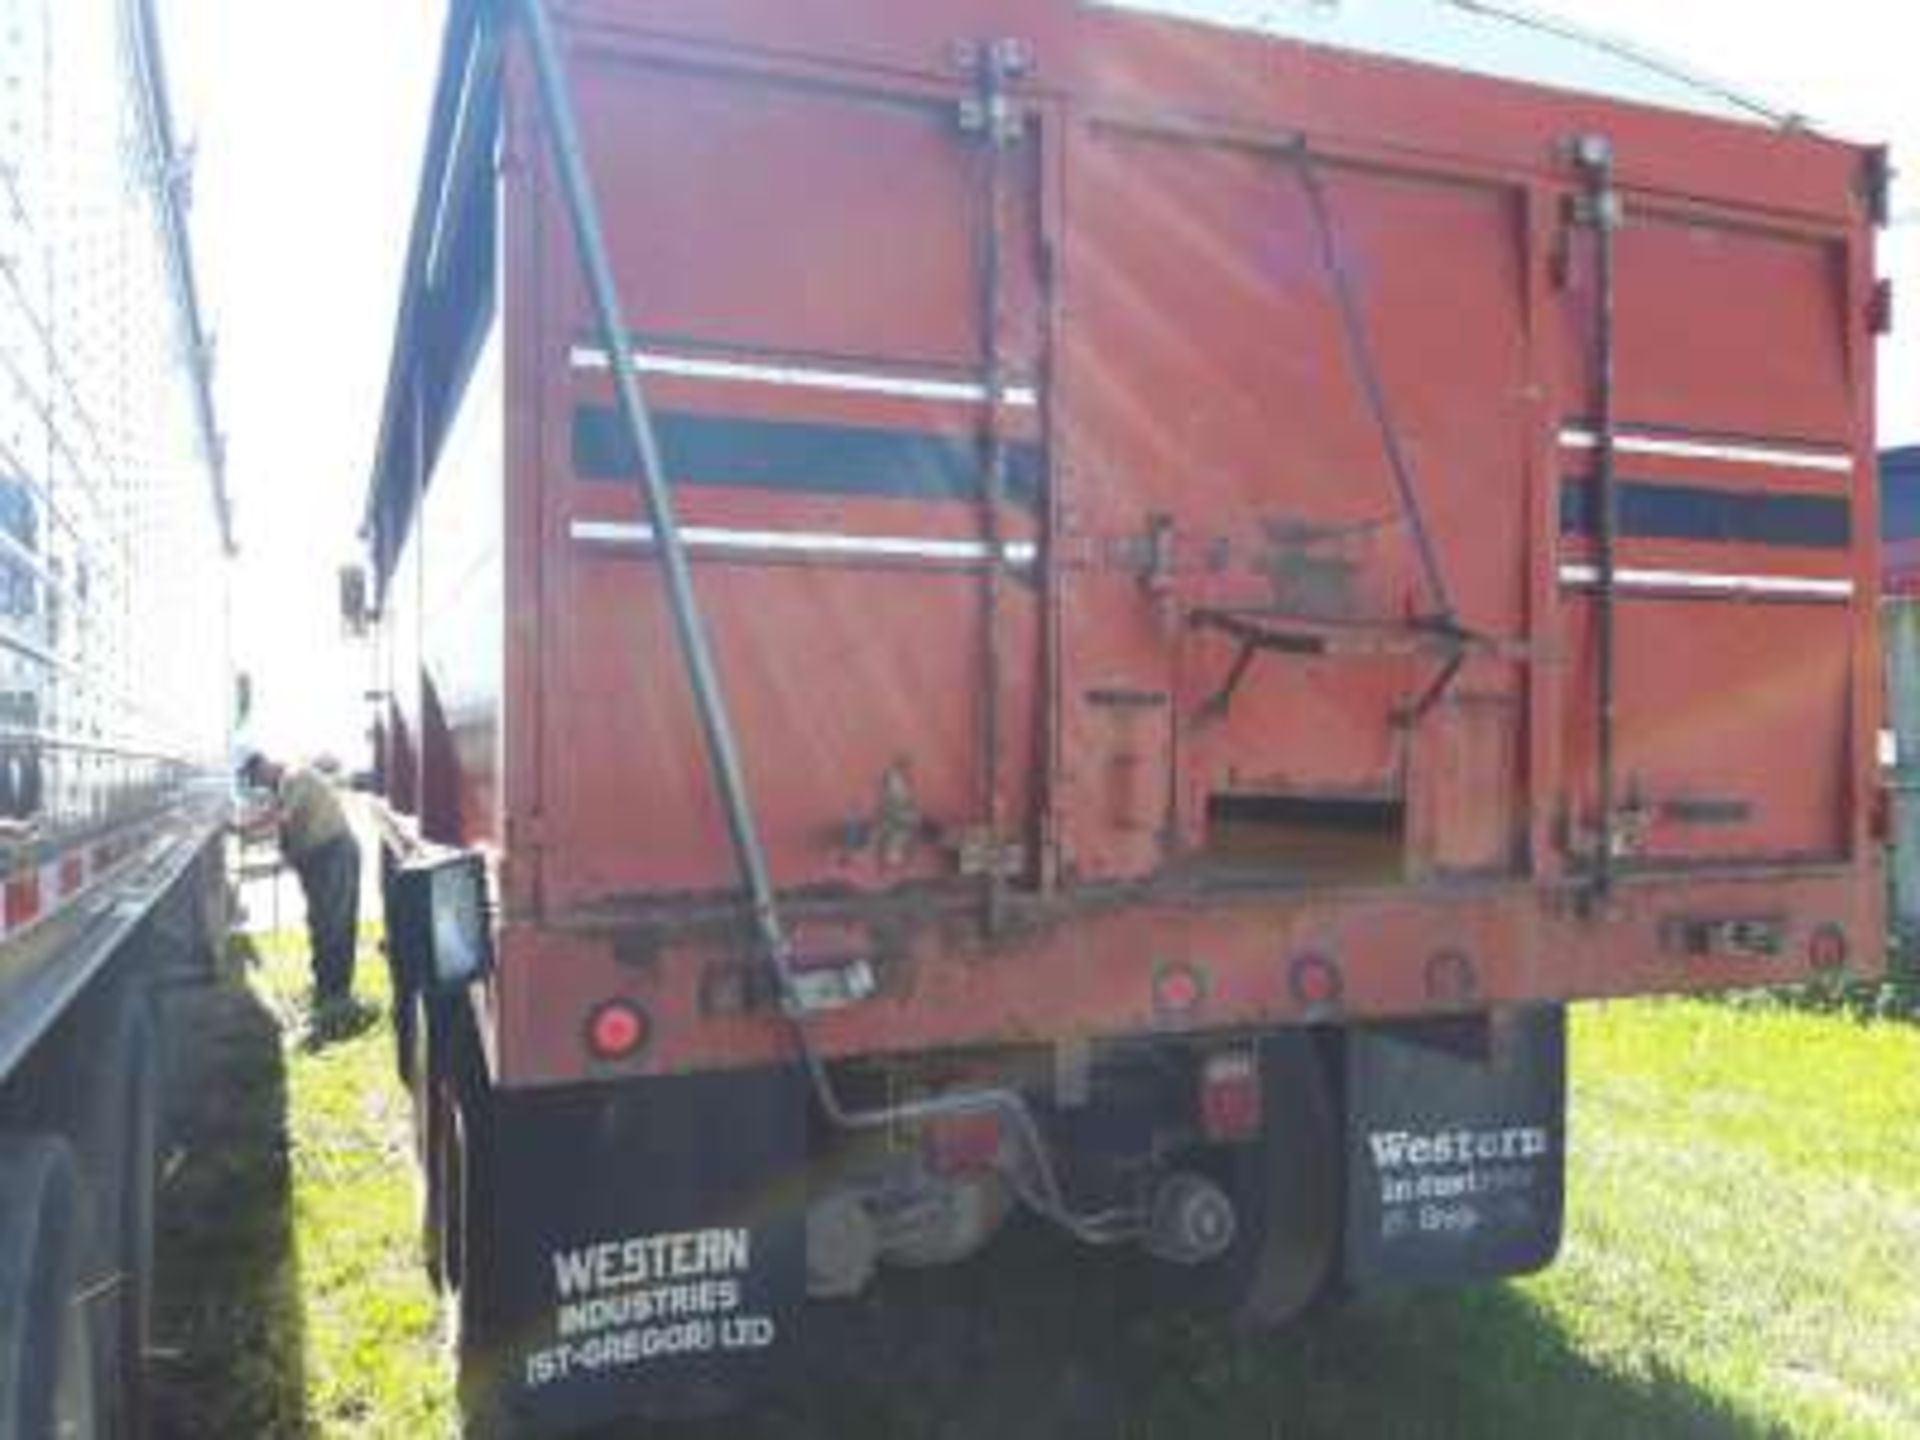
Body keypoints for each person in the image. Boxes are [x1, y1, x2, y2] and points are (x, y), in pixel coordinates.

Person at [239, 751, 363, 1022]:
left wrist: (241, 830)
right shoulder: (282, 786)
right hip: (318, 861)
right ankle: (324, 989)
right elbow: (288, 834)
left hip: (334, 854)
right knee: (320, 923)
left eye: (257, 779)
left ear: (264, 765)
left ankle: (337, 995)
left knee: (335, 925)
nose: (260, 786)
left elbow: (281, 818)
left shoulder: (295, 777)